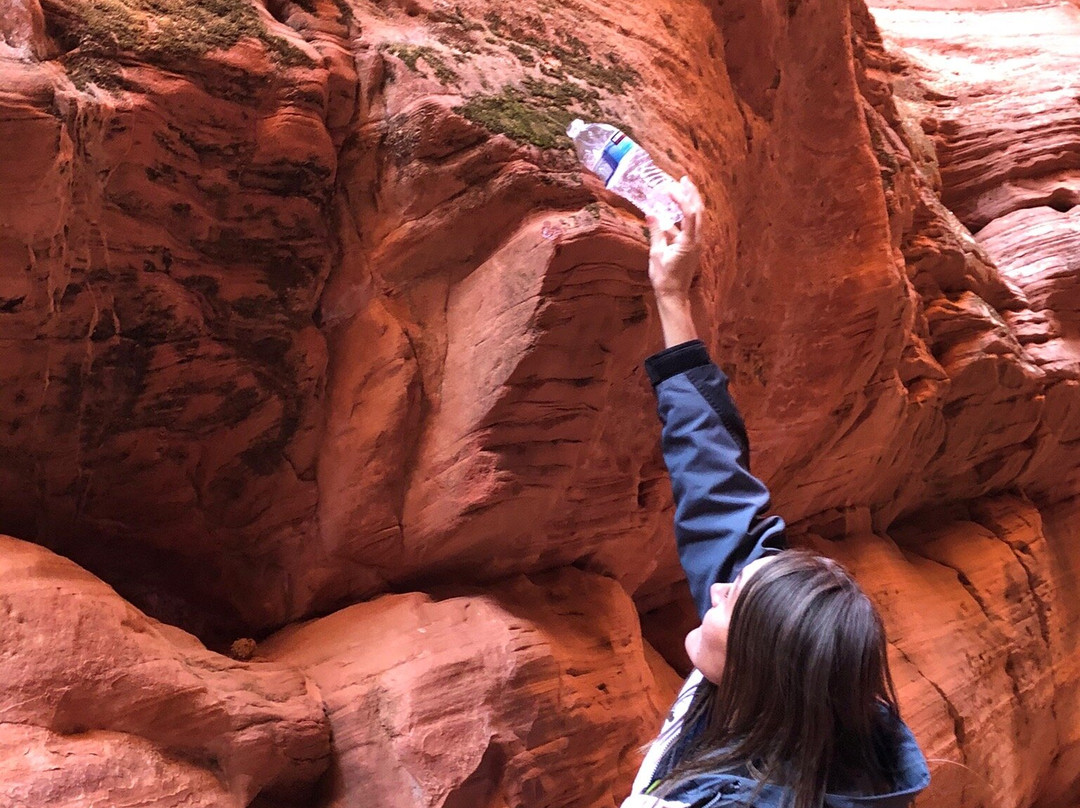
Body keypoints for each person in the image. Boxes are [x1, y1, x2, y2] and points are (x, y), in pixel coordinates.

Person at [624, 178, 930, 808]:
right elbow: (714, 482)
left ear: (759, 669)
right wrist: (672, 294)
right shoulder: (806, 702)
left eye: (732, 600)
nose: (717, 587)